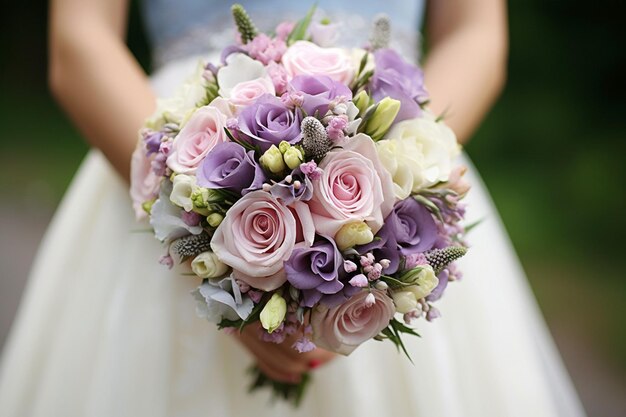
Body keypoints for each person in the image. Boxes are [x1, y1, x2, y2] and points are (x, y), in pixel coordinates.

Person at [0, 0, 586, 416]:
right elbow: (80, 40)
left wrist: (401, 171)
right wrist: (199, 222)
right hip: (173, 149)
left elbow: (477, 32)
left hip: (393, 146)